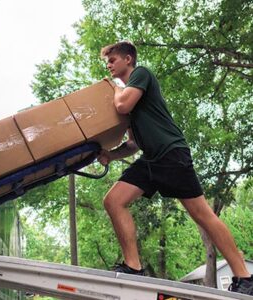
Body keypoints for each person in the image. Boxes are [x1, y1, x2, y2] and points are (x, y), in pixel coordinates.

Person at [98, 41, 253, 296]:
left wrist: (114, 89)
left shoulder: (141, 75)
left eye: (112, 60)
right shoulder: (130, 102)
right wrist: (110, 156)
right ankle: (133, 266)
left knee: (202, 215)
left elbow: (122, 104)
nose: (109, 65)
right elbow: (133, 144)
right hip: (151, 159)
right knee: (113, 201)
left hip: (171, 154)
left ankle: (244, 275)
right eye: (108, 61)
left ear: (128, 59)